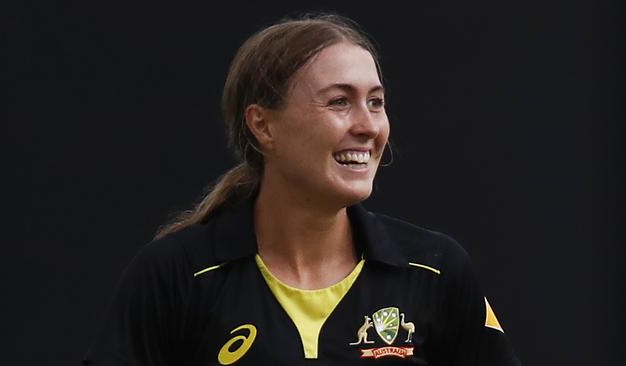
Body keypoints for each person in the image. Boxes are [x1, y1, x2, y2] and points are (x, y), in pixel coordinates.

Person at [84, 14, 521, 366]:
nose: (368, 126)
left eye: (376, 101)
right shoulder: (176, 276)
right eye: (338, 101)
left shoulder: (433, 270)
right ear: (263, 125)